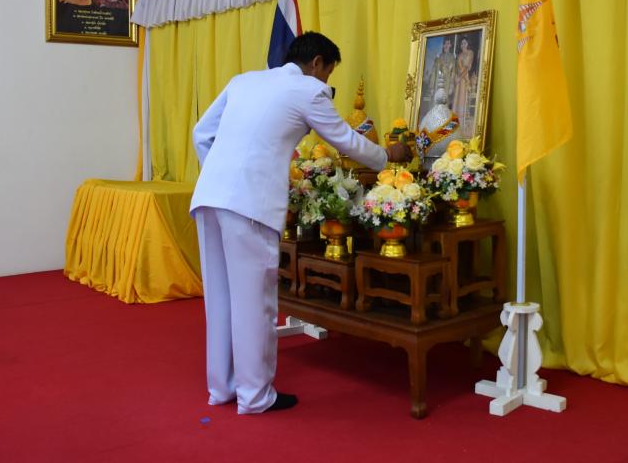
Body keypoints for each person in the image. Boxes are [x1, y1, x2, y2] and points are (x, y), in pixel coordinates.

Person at [189, 32, 410, 415]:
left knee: (221, 300)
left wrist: (222, 178)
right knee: (254, 303)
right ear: (317, 63)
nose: (326, 84)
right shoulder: (308, 90)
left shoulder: (243, 81)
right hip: (249, 205)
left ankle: (222, 389)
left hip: (209, 197)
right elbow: (346, 141)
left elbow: (200, 133)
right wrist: (388, 155)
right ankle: (255, 396)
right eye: (328, 74)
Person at [451, 36, 475, 136]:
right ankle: (453, 126)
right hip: (458, 81)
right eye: (461, 43)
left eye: (464, 43)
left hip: (464, 80)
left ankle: (462, 126)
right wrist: (455, 78)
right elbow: (457, 68)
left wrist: (459, 78)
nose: (463, 45)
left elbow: (467, 68)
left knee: (462, 99)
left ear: (467, 44)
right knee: (456, 101)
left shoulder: (470, 53)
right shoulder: (459, 55)